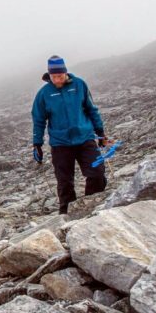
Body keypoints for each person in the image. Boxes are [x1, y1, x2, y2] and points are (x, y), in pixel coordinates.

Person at [32, 56, 108, 215]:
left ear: (65, 73)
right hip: (61, 144)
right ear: (49, 75)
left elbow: (91, 109)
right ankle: (67, 215)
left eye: (59, 76)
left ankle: (91, 207)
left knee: (97, 173)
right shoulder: (44, 93)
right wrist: (37, 144)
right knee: (65, 183)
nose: (57, 80)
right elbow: (39, 119)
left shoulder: (79, 85)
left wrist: (100, 132)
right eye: (53, 77)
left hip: (85, 138)